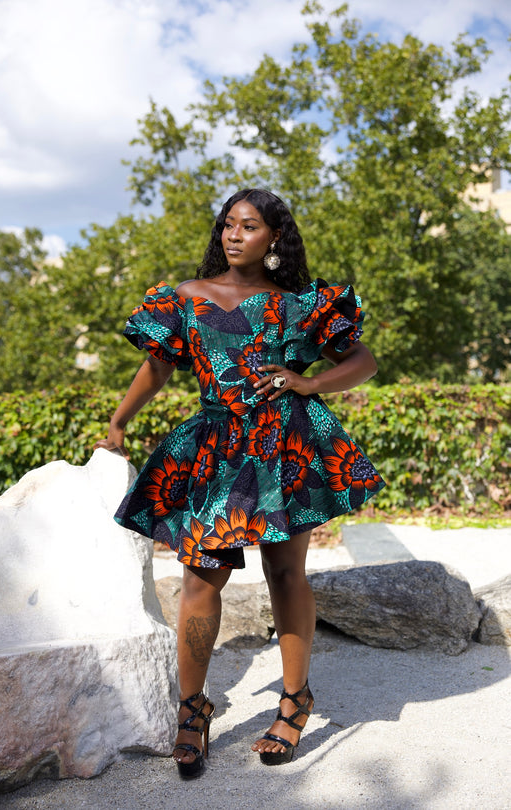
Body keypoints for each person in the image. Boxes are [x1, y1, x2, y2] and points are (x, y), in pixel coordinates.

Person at [95, 188, 385, 779]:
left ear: (274, 238)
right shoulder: (186, 299)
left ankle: (294, 700)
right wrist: (118, 423)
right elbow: (157, 366)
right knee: (201, 579)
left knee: (285, 573)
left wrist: (306, 385)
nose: (233, 235)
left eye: (248, 227)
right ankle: (191, 710)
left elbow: (363, 362)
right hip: (217, 451)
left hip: (283, 449)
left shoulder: (301, 304)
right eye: (228, 225)